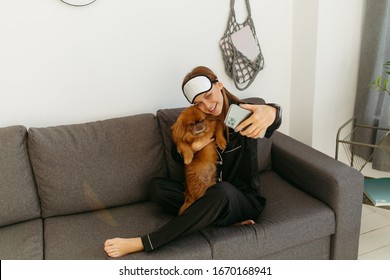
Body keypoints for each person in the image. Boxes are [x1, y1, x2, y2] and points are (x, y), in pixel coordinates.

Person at [104, 66, 282, 257]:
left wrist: (272, 112)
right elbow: (175, 152)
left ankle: (146, 241)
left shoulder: (243, 113)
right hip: (206, 195)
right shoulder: (203, 118)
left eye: (208, 95)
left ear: (219, 85)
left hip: (240, 199)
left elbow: (271, 119)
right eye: (199, 103)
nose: (207, 105)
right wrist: (195, 148)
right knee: (157, 187)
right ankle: (217, 219)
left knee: (221, 192)